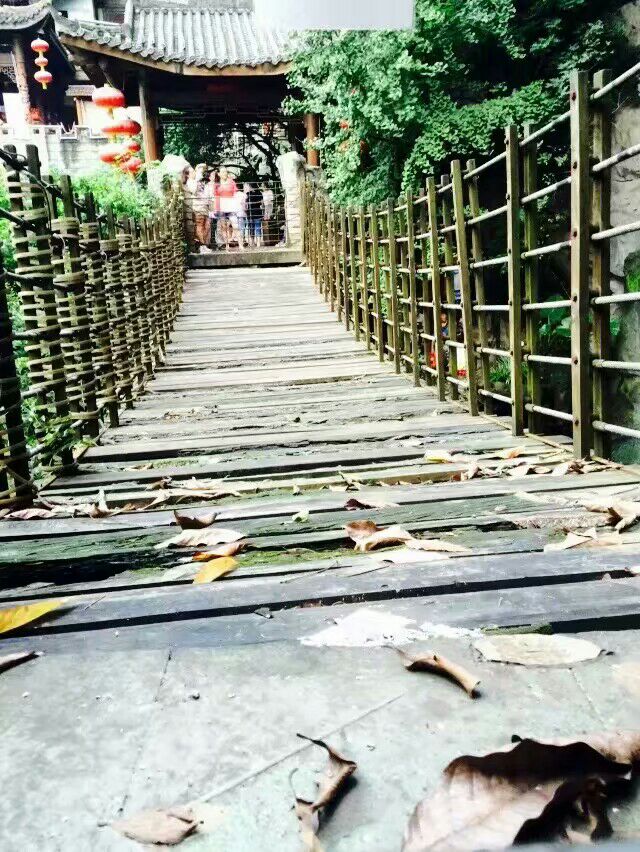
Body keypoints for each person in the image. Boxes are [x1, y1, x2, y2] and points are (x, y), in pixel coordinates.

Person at [214, 167, 238, 251]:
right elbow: (216, 196)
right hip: (221, 207)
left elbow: (235, 194)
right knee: (223, 227)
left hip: (231, 206)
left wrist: (235, 205)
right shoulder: (217, 184)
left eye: (226, 171)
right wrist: (216, 209)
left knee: (235, 225)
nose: (225, 173)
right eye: (223, 172)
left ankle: (239, 244)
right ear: (219, 174)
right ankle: (226, 245)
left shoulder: (231, 182)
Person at [192, 163, 211, 251]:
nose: (202, 170)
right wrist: (197, 178)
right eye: (200, 168)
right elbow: (194, 191)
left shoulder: (203, 181)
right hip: (197, 206)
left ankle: (204, 245)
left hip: (205, 206)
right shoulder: (194, 180)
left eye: (203, 169)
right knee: (199, 225)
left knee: (206, 226)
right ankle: (201, 246)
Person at [245, 183, 263, 248]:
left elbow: (246, 203)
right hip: (255, 211)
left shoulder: (249, 194)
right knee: (255, 227)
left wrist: (251, 203)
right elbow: (261, 202)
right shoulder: (259, 193)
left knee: (253, 227)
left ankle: (254, 243)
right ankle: (256, 243)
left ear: (251, 186)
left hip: (252, 212)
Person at [234, 182, 247, 247]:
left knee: (237, 228)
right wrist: (246, 210)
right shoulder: (244, 195)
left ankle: (239, 242)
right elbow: (245, 204)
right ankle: (242, 241)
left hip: (234, 213)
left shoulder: (233, 194)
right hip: (242, 213)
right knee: (242, 228)